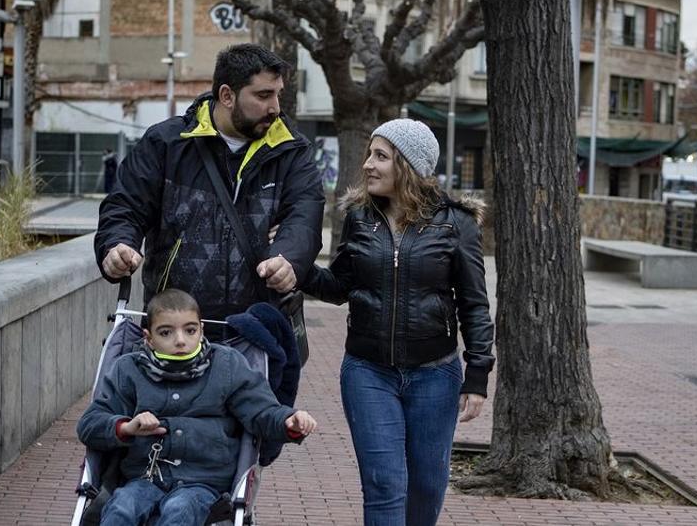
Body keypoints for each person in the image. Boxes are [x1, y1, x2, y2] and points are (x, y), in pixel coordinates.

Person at [303, 119, 496, 526]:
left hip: (435, 376)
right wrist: (297, 267)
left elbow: (475, 304)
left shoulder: (455, 223)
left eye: (381, 156)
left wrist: (477, 373)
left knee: (427, 484)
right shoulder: (359, 217)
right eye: (370, 154)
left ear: (407, 164)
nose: (368, 165)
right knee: (385, 484)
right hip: (368, 372)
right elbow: (340, 285)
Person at [93, 43, 324, 341]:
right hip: (176, 330)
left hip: (258, 330)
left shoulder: (292, 150)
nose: (275, 107)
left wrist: (288, 258)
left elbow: (304, 216)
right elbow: (125, 206)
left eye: (277, 94)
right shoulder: (165, 144)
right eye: (263, 95)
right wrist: (117, 244)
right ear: (227, 95)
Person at [76, 289, 317, 526]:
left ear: (201, 330)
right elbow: (89, 424)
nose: (180, 340)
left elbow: (261, 411)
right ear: (148, 338)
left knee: (179, 512)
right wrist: (126, 427)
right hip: (143, 478)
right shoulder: (127, 369)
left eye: (190, 330)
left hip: (203, 482)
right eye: (166, 332)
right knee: (121, 509)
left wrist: (288, 420)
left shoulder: (227, 364)